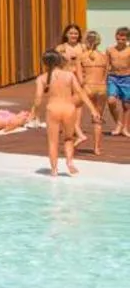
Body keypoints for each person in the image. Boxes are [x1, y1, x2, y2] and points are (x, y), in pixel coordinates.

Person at [34, 49, 97, 177]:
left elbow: (38, 98)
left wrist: (34, 113)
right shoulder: (69, 75)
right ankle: (69, 162)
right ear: (59, 61)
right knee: (69, 139)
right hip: (69, 109)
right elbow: (80, 92)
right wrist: (93, 110)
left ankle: (54, 170)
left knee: (53, 142)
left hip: (53, 109)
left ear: (45, 63)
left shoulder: (42, 78)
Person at [77, 30, 109, 149]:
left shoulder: (81, 57)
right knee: (97, 118)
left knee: (74, 109)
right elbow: (105, 76)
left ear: (85, 41)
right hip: (101, 88)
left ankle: (79, 134)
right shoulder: (104, 56)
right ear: (98, 42)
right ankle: (96, 148)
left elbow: (80, 79)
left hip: (88, 87)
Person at [106, 27, 130, 137]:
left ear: (127, 39)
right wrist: (103, 79)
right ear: (116, 36)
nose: (120, 41)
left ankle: (125, 128)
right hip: (113, 78)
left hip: (127, 78)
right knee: (111, 101)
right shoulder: (110, 50)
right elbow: (107, 65)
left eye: (123, 39)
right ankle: (119, 124)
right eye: (118, 38)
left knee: (126, 105)